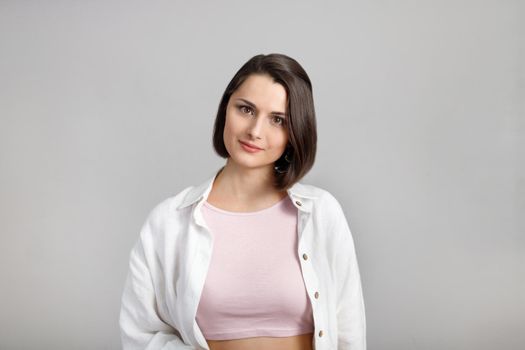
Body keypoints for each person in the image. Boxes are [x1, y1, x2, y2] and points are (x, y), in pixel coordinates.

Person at [119, 53, 366, 350]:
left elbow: (349, 332)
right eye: (246, 109)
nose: (255, 131)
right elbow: (139, 334)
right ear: (226, 108)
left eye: (277, 120)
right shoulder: (169, 221)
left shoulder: (322, 213)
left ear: (295, 132)